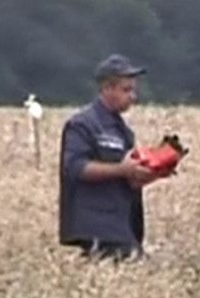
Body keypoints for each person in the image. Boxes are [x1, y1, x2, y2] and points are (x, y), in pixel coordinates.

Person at [58, 53, 164, 261]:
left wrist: (151, 172)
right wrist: (122, 170)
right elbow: (75, 168)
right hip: (96, 223)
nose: (133, 96)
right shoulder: (83, 125)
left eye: (133, 90)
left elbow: (128, 178)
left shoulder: (123, 131)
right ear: (107, 89)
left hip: (122, 223)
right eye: (126, 90)